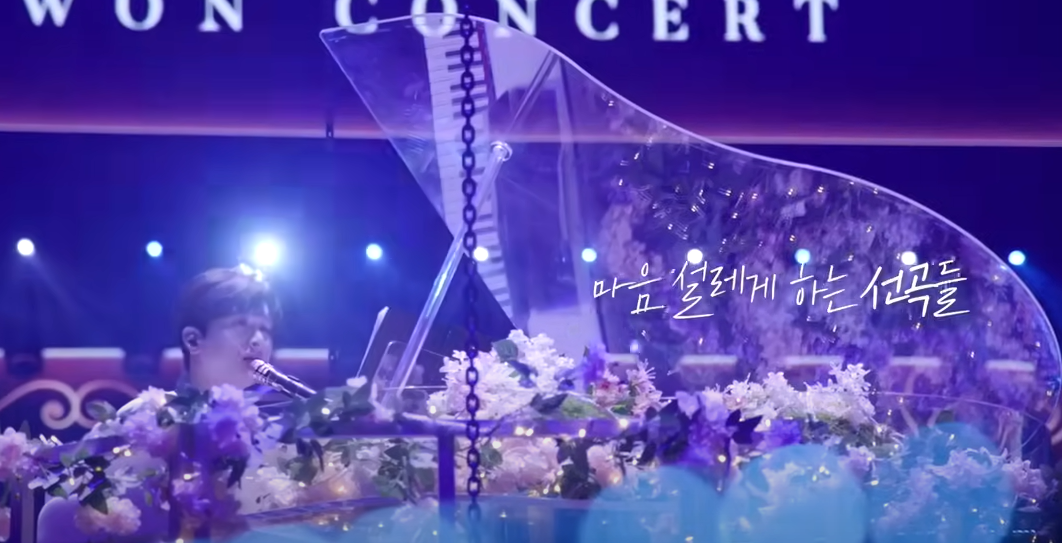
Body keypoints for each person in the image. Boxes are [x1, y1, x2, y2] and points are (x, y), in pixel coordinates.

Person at [37, 266, 283, 543]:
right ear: (193, 339)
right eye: (241, 324)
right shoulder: (145, 417)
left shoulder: (274, 431)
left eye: (265, 330)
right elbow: (62, 511)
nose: (258, 340)